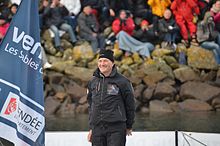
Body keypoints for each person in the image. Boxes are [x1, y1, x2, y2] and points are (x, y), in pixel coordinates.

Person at [87, 49, 135, 146]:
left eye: (105, 61)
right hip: (97, 129)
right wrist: (92, 128)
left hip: (116, 128)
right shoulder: (93, 81)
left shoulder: (123, 81)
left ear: (112, 63)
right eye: (100, 61)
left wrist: (129, 125)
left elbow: (130, 105)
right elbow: (91, 105)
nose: (102, 64)